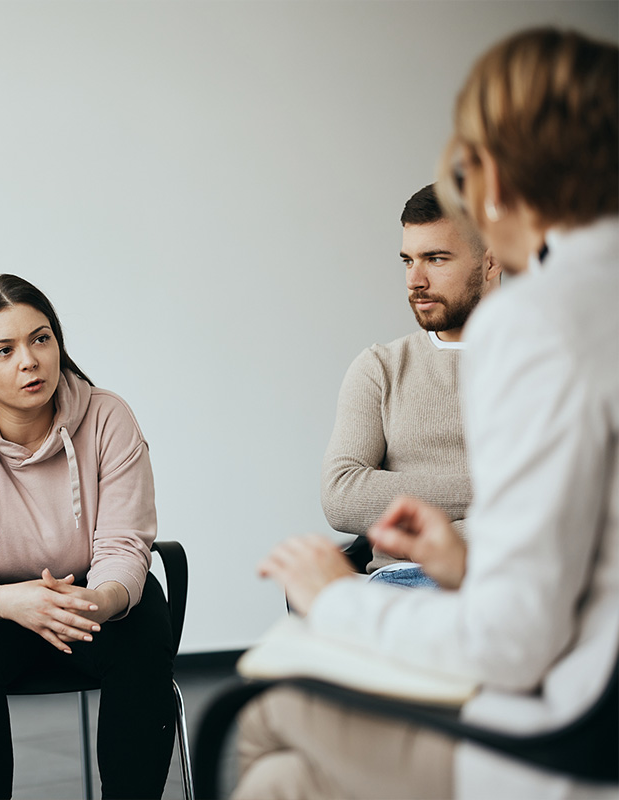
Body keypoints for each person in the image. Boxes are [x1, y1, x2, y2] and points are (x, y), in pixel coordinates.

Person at [240, 27, 618, 800]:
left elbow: (512, 641)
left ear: (496, 184)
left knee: (262, 717)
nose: (417, 277)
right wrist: (470, 541)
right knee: (285, 780)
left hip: (567, 731)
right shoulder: (386, 363)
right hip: (571, 662)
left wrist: (339, 603)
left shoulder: (536, 323)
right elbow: (344, 492)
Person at [0, 274, 175, 799]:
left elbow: (123, 546)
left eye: (41, 339)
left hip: (85, 601)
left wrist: (100, 600)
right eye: (4, 350)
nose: (30, 361)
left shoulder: (108, 417)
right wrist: (6, 601)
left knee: (142, 622)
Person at [321, 183, 500, 587]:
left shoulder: (542, 366)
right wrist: (499, 486)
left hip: (505, 576)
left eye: (435, 259)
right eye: (407, 260)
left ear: (491, 262)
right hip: (403, 580)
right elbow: (341, 494)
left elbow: (558, 505)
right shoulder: (379, 368)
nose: (414, 280)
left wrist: (420, 537)